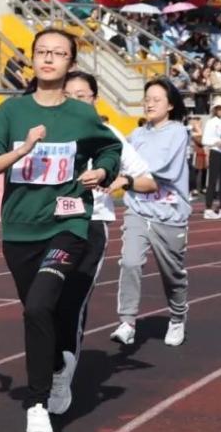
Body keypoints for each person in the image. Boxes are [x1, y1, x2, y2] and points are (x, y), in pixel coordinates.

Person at [0, 28, 121, 432]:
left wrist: (101, 171)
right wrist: (22, 150)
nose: (48, 58)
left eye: (58, 53)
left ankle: (37, 402)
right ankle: (58, 364)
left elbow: (109, 148)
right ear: (32, 58)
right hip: (21, 229)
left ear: (70, 62)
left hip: (67, 224)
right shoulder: (11, 112)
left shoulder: (81, 115)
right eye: (42, 51)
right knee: (40, 312)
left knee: (39, 305)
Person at [60, 71, 156, 374]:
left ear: (94, 100)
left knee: (73, 300)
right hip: (50, 224)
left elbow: (148, 181)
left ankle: (62, 372)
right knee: (42, 302)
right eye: (68, 96)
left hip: (91, 223)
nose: (74, 102)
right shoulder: (47, 131)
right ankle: (51, 361)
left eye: (81, 96)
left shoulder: (108, 135)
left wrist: (122, 180)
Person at [111, 78, 191, 348]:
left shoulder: (178, 132)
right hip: (138, 209)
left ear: (170, 105)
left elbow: (162, 169)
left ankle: (177, 317)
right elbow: (120, 158)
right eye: (147, 99)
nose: (150, 104)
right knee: (130, 262)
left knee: (172, 274)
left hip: (169, 213)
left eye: (157, 100)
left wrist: (129, 176)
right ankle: (127, 321)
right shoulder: (137, 135)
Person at [201, 97, 221, 218]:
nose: (220, 110)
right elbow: (205, 140)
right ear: (215, 109)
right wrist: (216, 142)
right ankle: (208, 208)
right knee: (212, 181)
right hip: (215, 152)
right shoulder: (211, 122)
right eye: (218, 108)